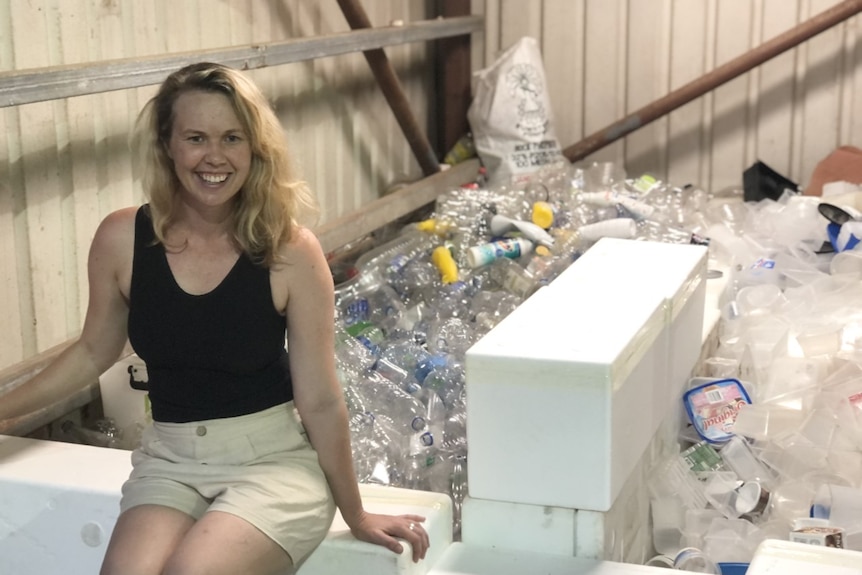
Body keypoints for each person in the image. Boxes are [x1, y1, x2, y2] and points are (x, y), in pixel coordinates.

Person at [0, 62, 429, 575]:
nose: (215, 157)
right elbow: (93, 351)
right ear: (167, 146)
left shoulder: (290, 251)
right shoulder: (122, 238)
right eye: (196, 137)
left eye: (232, 138)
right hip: (170, 460)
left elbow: (318, 397)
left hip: (272, 464)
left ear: (255, 148)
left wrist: (355, 513)